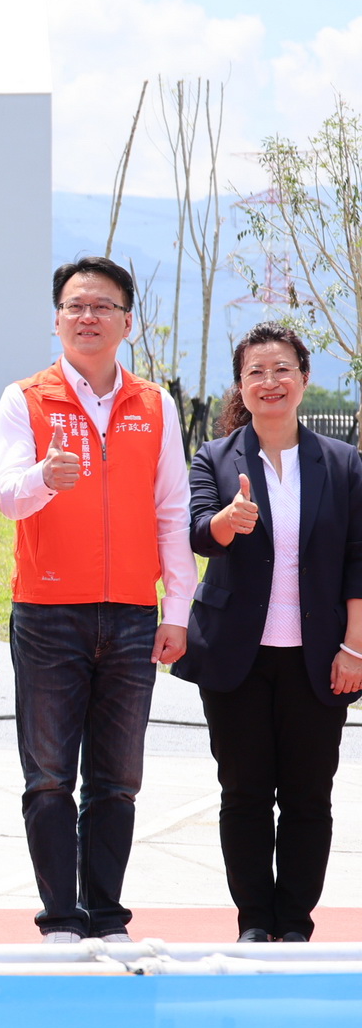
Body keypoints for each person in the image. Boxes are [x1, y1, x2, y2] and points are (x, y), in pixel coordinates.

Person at [0, 256, 195, 944]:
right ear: (56, 319)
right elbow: (8, 495)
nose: (88, 317)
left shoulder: (155, 404)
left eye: (103, 306)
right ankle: (60, 919)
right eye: (75, 305)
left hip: (135, 615)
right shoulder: (24, 398)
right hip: (50, 613)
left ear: (127, 322)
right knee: (49, 774)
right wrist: (46, 477)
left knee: (118, 778)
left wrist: (177, 610)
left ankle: (106, 914)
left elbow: (172, 509)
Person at [179, 322, 362, 942]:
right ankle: (255, 922)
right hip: (238, 659)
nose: (270, 382)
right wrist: (228, 521)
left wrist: (355, 646)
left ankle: (295, 925)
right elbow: (196, 532)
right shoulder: (214, 456)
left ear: (304, 379)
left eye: (282, 368)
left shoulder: (341, 463)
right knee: (246, 795)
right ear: (241, 385)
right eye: (255, 372)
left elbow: (358, 559)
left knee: (310, 797)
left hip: (320, 660)